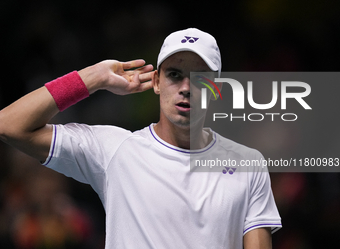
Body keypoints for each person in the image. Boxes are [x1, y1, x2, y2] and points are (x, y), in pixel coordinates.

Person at [0, 28, 281, 248]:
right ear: (157, 82)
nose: (185, 88)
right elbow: (9, 125)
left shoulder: (248, 163)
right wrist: (92, 78)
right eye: (174, 74)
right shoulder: (114, 150)